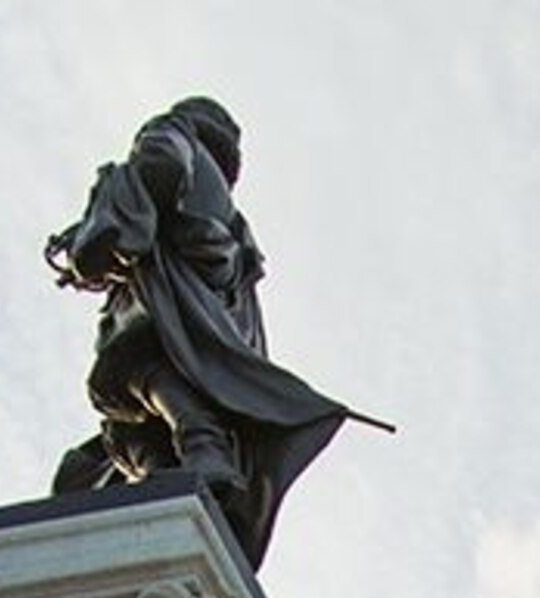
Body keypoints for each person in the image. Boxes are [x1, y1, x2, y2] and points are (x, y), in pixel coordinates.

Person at [46, 96, 365, 568]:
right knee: (122, 426)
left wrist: (101, 232)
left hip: (165, 300)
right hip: (203, 321)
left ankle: (203, 446)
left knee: (130, 371)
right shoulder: (236, 220)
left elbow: (157, 166)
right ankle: (178, 467)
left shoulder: (173, 134)